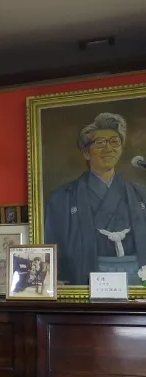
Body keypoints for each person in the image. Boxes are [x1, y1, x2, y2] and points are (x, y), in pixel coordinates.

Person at [45, 112, 146, 285]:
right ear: (86, 152)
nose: (109, 148)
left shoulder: (141, 194)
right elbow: (52, 253)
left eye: (115, 142)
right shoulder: (61, 199)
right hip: (86, 281)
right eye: (100, 142)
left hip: (137, 281)